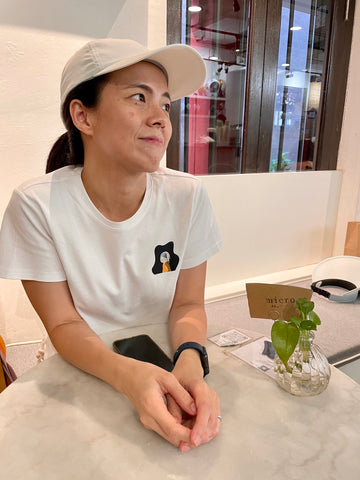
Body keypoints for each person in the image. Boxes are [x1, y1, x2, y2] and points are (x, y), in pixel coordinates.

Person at [0, 38, 223, 452]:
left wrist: (191, 360)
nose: (161, 119)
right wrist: (129, 377)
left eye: (166, 104)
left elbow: (188, 305)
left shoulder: (188, 196)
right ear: (83, 115)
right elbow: (64, 325)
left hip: (165, 355)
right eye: (139, 97)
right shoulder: (36, 205)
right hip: (83, 363)